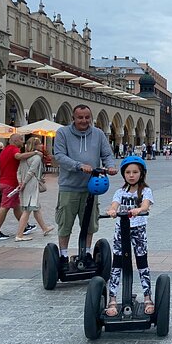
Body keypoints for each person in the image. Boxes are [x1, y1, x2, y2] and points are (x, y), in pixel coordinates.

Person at [53, 104, 117, 270]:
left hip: (91, 188)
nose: (84, 120)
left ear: (91, 118)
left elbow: (107, 154)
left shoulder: (98, 134)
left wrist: (110, 166)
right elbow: (59, 155)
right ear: (73, 118)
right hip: (69, 187)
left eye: (87, 117)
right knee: (65, 223)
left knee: (89, 223)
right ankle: (63, 255)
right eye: (80, 117)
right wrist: (78, 165)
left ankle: (87, 253)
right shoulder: (63, 133)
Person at [104, 156, 154, 317]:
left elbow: (146, 204)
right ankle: (112, 298)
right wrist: (112, 211)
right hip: (121, 230)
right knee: (117, 263)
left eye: (135, 172)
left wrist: (139, 209)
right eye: (128, 172)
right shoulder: (120, 192)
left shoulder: (146, 191)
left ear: (141, 173)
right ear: (123, 174)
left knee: (142, 262)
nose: (131, 175)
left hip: (138, 230)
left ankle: (147, 297)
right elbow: (114, 205)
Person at [0, 134, 39, 240]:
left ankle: (24, 226)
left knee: (16, 206)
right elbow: (18, 157)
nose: (23, 142)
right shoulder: (13, 149)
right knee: (4, 207)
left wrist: (0, 178)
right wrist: (34, 153)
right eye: (21, 140)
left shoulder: (4, 150)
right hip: (10, 183)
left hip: (5, 181)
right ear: (16, 140)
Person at [15, 137, 54, 241]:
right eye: (40, 144)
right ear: (36, 145)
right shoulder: (36, 158)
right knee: (28, 209)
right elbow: (31, 172)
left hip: (25, 184)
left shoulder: (24, 157)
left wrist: (20, 181)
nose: (41, 145)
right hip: (31, 184)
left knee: (36, 207)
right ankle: (19, 234)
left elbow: (18, 171)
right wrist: (24, 183)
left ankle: (44, 228)